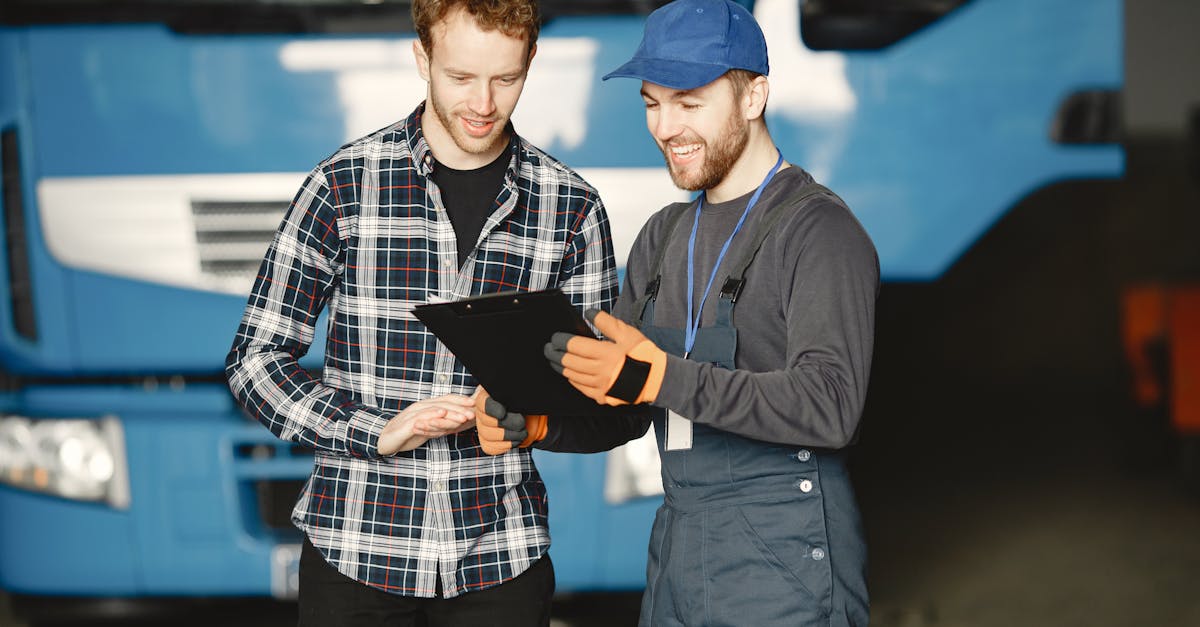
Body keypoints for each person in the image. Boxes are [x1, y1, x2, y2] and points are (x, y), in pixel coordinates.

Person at [475, 1, 879, 624]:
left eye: (688, 103)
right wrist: (539, 424)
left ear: (754, 96)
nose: (665, 128)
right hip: (678, 563)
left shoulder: (817, 231)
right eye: (652, 104)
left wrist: (658, 375)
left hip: (786, 570)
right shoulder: (664, 237)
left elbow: (830, 407)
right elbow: (628, 409)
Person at [223, 1, 624, 624]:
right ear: (422, 58)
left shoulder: (571, 207)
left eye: (506, 78)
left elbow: (610, 403)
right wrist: (373, 431)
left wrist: (534, 421)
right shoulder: (343, 185)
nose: (483, 103)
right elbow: (254, 361)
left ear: (530, 61)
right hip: (353, 555)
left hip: (501, 560)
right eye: (461, 77)